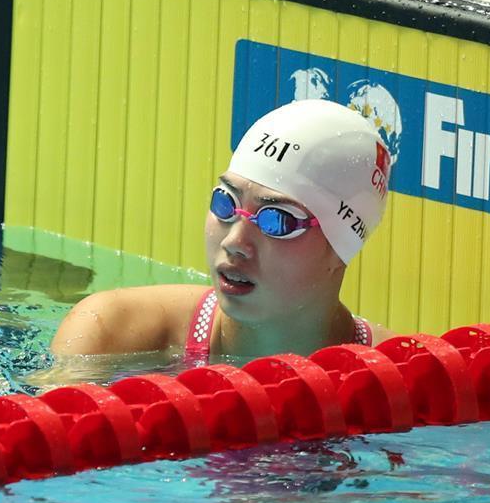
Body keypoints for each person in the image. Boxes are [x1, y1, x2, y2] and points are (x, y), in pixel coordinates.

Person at [50, 99, 396, 365]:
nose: (235, 242)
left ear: (341, 247)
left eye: (277, 221)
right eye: (226, 202)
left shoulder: (397, 373)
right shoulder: (110, 334)